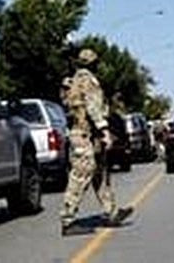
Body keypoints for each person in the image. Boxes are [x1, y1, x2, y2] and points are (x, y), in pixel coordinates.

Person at [59, 48, 133, 236]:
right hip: (84, 134)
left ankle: (111, 212)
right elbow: (93, 108)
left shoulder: (72, 81)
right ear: (93, 63)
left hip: (85, 134)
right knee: (80, 175)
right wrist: (104, 131)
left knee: (100, 173)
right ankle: (68, 219)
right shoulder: (88, 81)